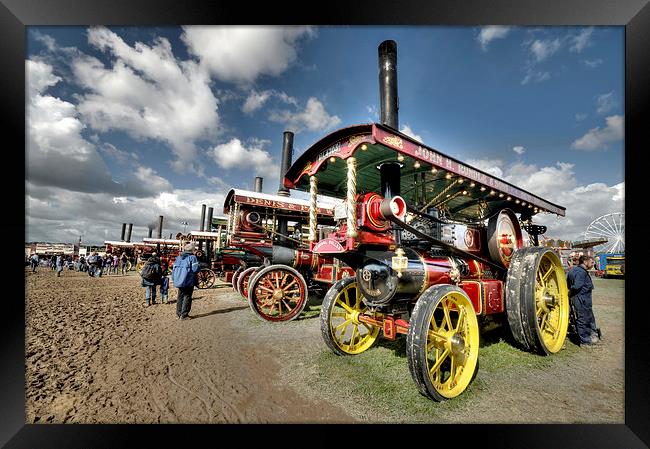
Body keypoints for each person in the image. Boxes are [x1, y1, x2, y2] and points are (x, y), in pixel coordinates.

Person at [566, 255, 601, 346]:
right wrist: (569, 293)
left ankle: (591, 335)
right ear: (585, 262)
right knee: (583, 319)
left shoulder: (573, 270)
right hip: (582, 299)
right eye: (591, 262)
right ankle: (585, 341)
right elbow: (577, 286)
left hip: (580, 298)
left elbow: (568, 283)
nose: (592, 264)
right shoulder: (581, 272)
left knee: (587, 318)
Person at [172, 243, 200, 320]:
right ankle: (184, 315)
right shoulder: (192, 257)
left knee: (180, 296)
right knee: (187, 297)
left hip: (179, 279)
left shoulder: (178, 257)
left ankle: (178, 313)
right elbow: (195, 269)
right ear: (192, 250)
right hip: (188, 280)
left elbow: (174, 269)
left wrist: (174, 279)